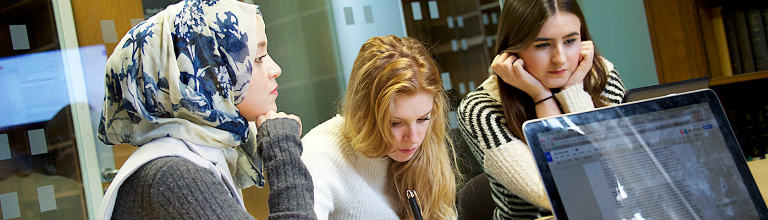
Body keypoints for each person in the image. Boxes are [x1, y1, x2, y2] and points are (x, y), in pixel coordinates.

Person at [96, 0, 315, 219]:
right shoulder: (173, 175)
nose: (275, 69)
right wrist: (283, 152)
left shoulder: (204, 153)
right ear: (204, 75)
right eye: (257, 58)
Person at [456, 0, 627, 219]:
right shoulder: (480, 109)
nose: (560, 59)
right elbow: (568, 194)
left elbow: (621, 175)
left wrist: (573, 91)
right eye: (542, 45)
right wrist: (542, 98)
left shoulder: (601, 76)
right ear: (513, 48)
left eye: (570, 41)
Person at [300, 35, 458, 220]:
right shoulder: (319, 155)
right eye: (396, 123)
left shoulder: (425, 150)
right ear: (365, 113)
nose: (413, 138)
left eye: (423, 119)